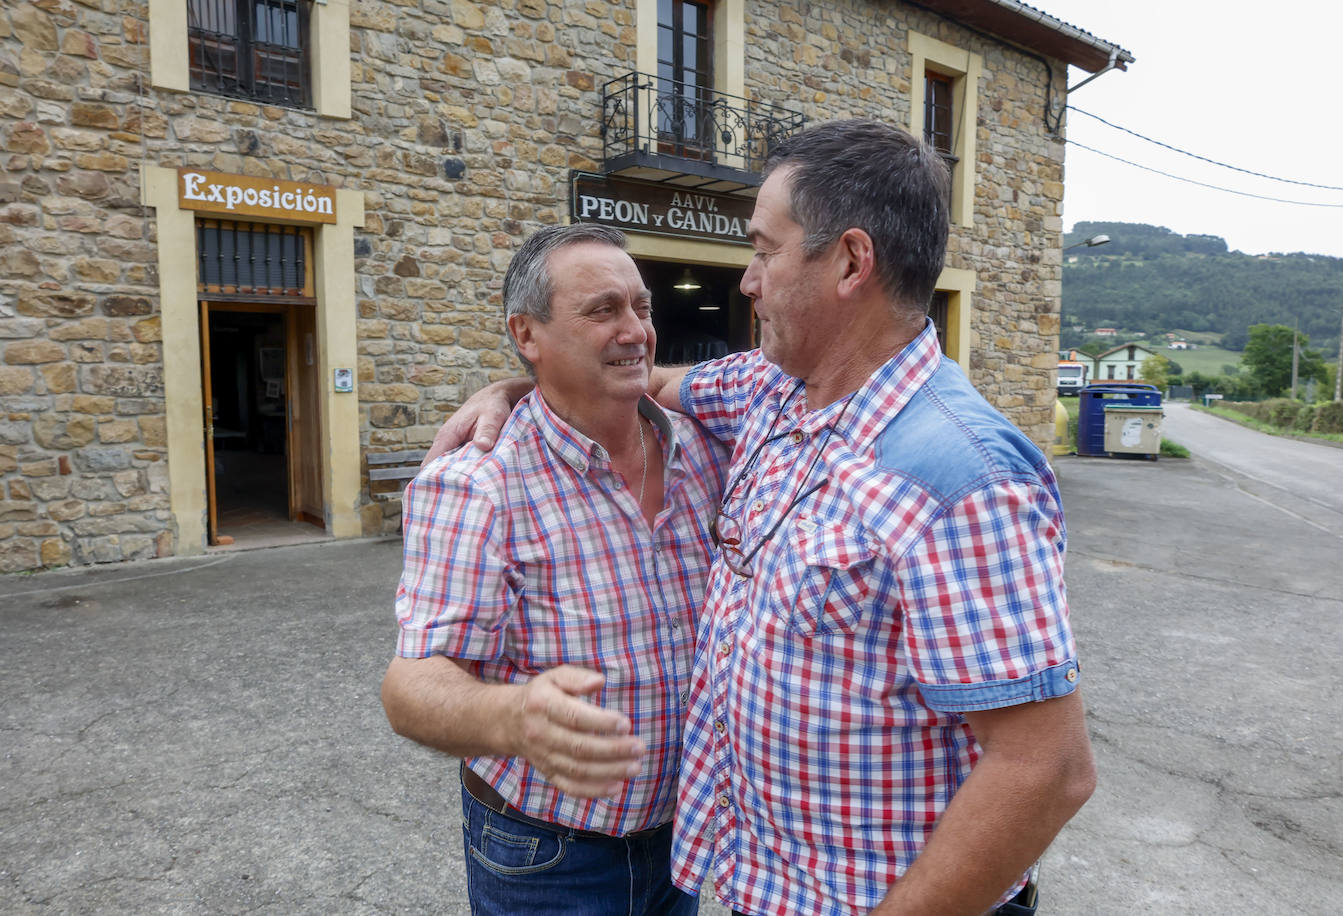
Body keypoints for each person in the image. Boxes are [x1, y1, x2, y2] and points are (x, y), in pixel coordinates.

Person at [436, 119, 1096, 916]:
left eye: (763, 250)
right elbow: (651, 382)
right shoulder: (773, 389)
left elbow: (1045, 769)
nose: (747, 280)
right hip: (764, 889)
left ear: (851, 262)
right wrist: (523, 387)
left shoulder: (959, 475)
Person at [383, 224, 726, 916]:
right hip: (547, 856)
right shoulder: (479, 484)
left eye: (642, 307)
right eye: (603, 311)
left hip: (681, 844)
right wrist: (511, 716)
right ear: (527, 334)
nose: (635, 330)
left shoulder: (708, 453)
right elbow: (411, 684)